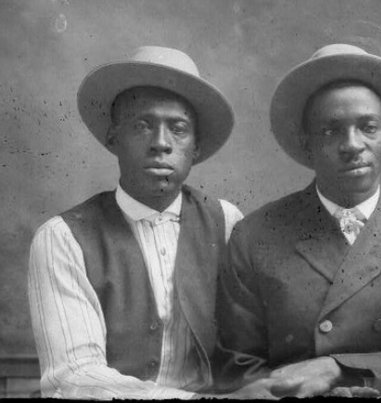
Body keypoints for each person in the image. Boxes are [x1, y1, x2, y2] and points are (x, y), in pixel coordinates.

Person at [215, 44, 381, 399]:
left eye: (368, 127)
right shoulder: (255, 236)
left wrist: (338, 367)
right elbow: (235, 367)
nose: (352, 144)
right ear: (306, 144)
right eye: (330, 131)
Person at [28, 46, 243, 399]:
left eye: (178, 128)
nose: (161, 143)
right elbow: (76, 377)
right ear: (114, 138)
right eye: (142, 125)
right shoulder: (62, 237)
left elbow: (250, 346)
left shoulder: (226, 223)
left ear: (197, 147)